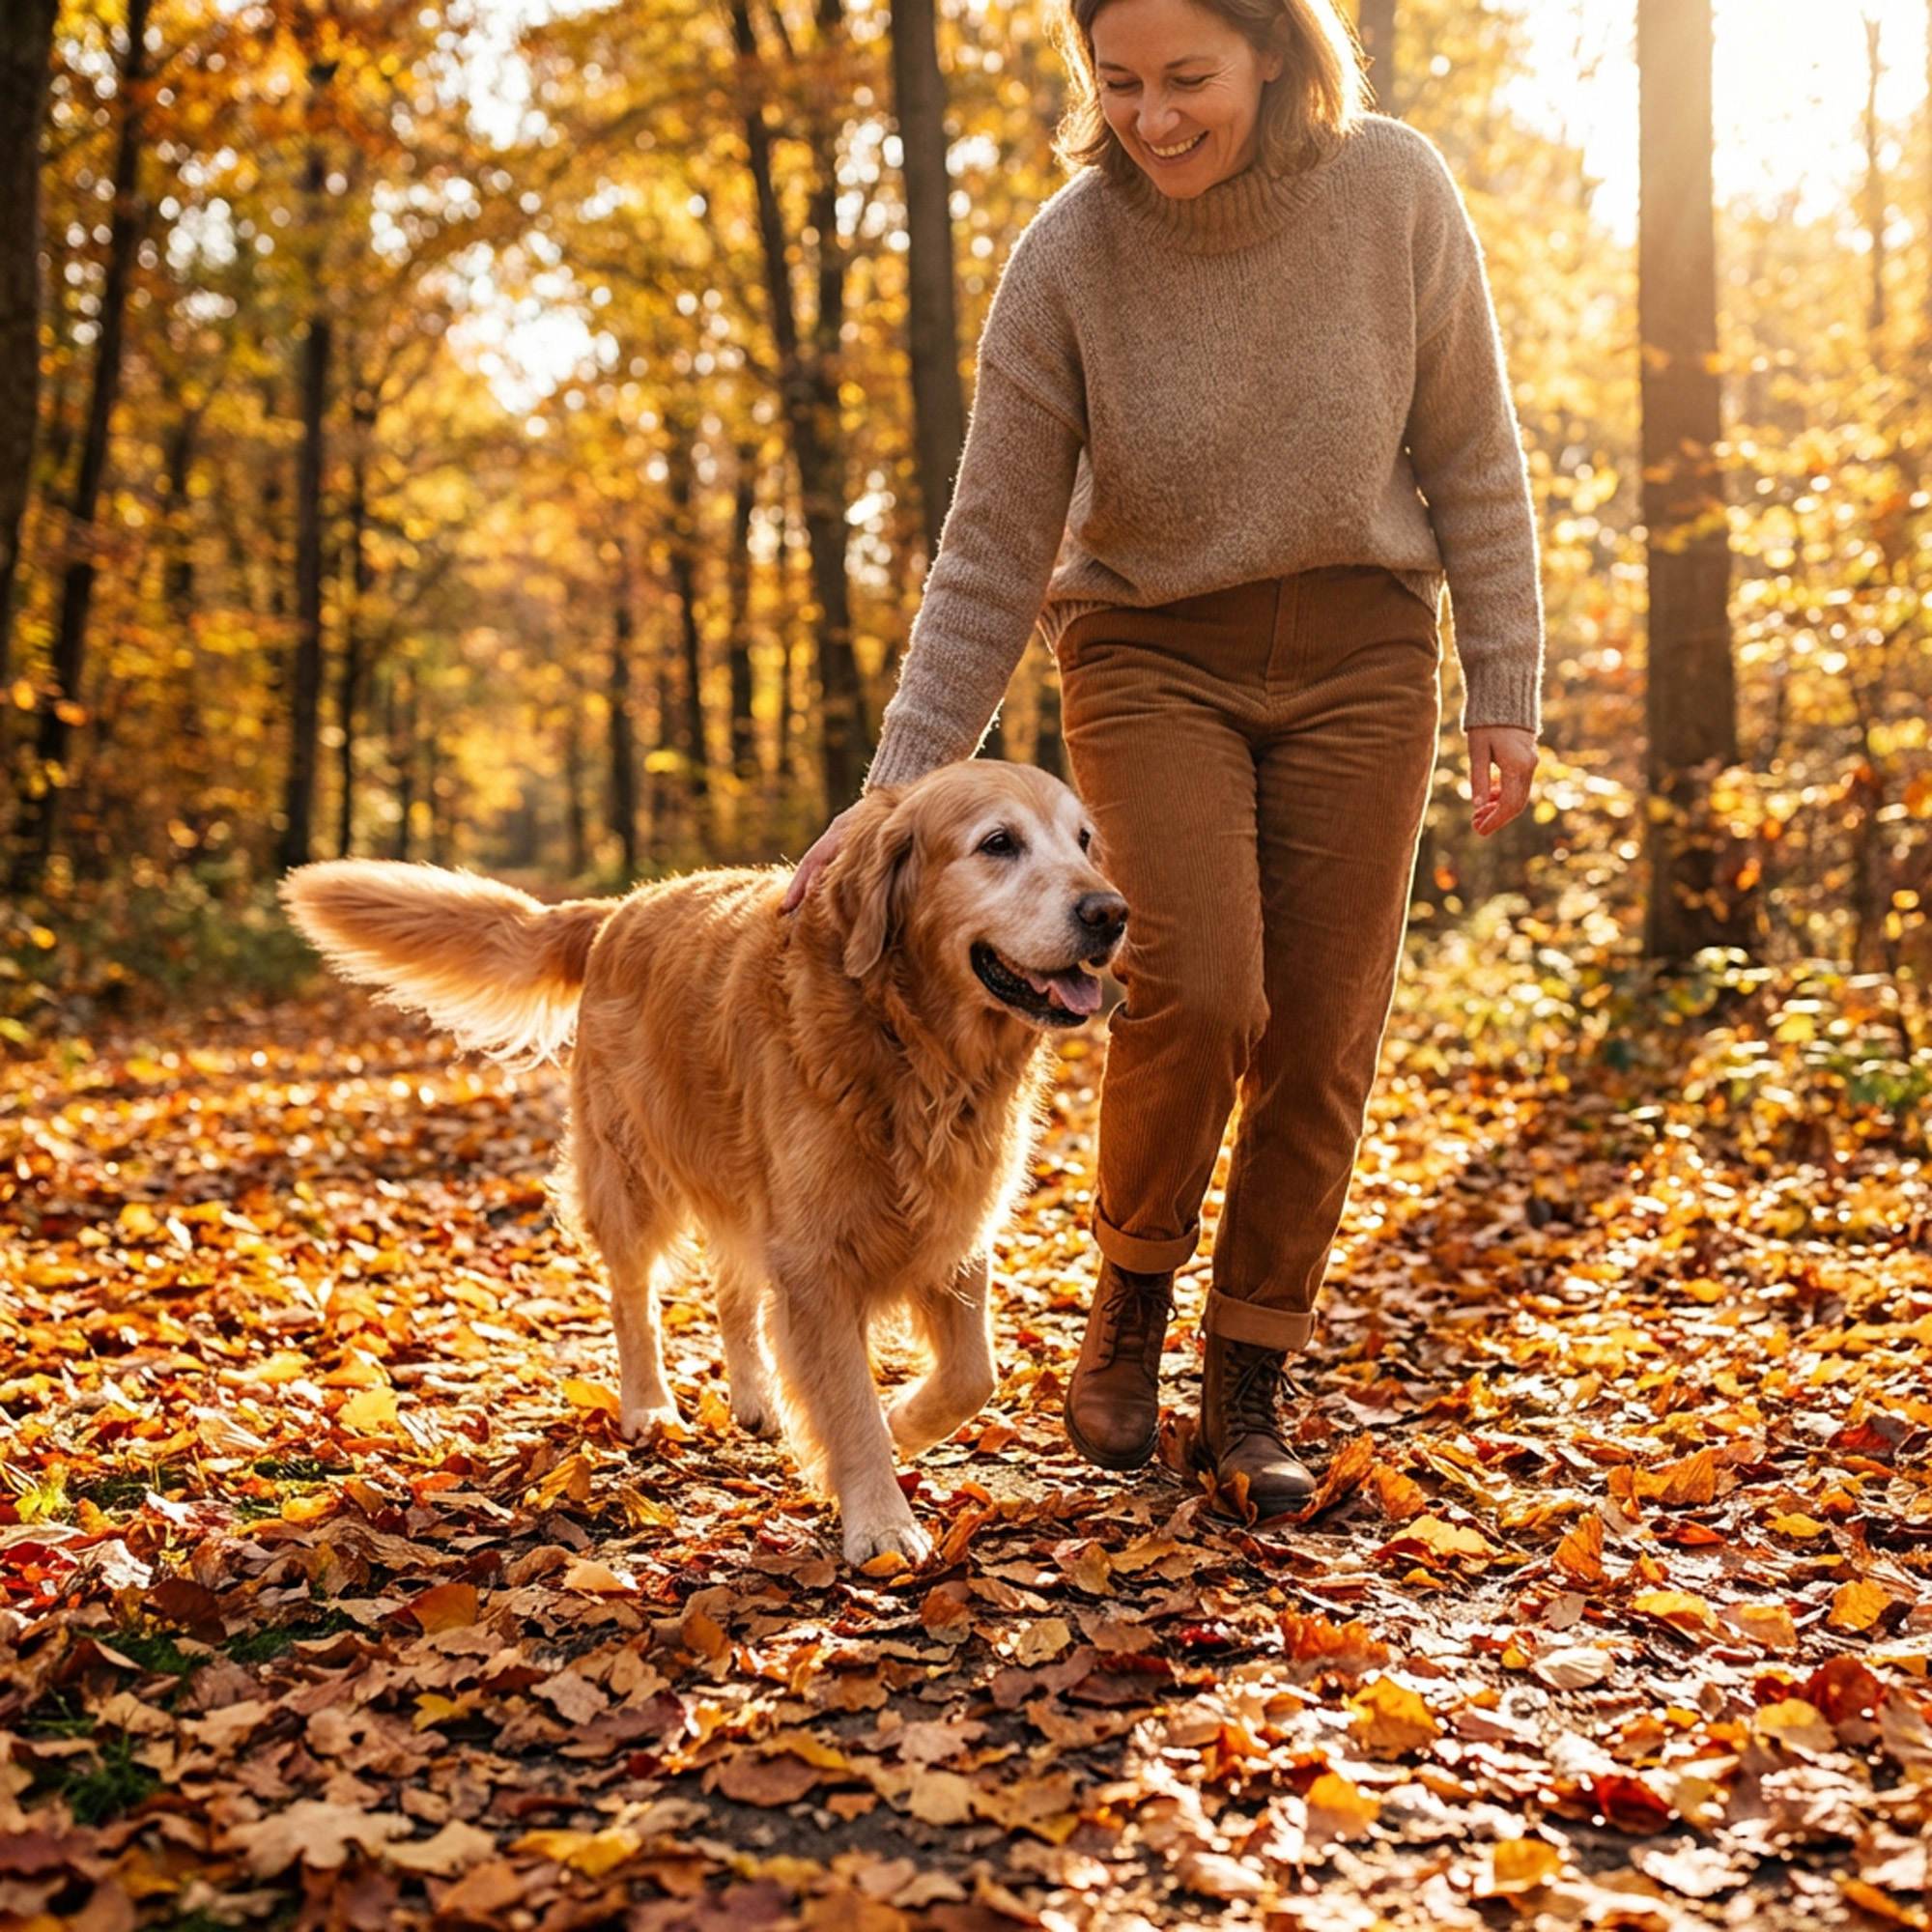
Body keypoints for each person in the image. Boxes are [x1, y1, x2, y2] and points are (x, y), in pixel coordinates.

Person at [782, 0, 1541, 1514]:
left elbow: (1472, 449)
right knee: (1193, 990)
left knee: (1323, 1032)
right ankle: (1129, 1297)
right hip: (1145, 651)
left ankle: (1249, 1378)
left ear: (1276, 49)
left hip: (1363, 650)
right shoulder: (1068, 256)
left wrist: (1505, 679)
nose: (1154, 115)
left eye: (1187, 76)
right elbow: (991, 550)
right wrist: (893, 788)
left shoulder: (1395, 189)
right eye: (1117, 82)